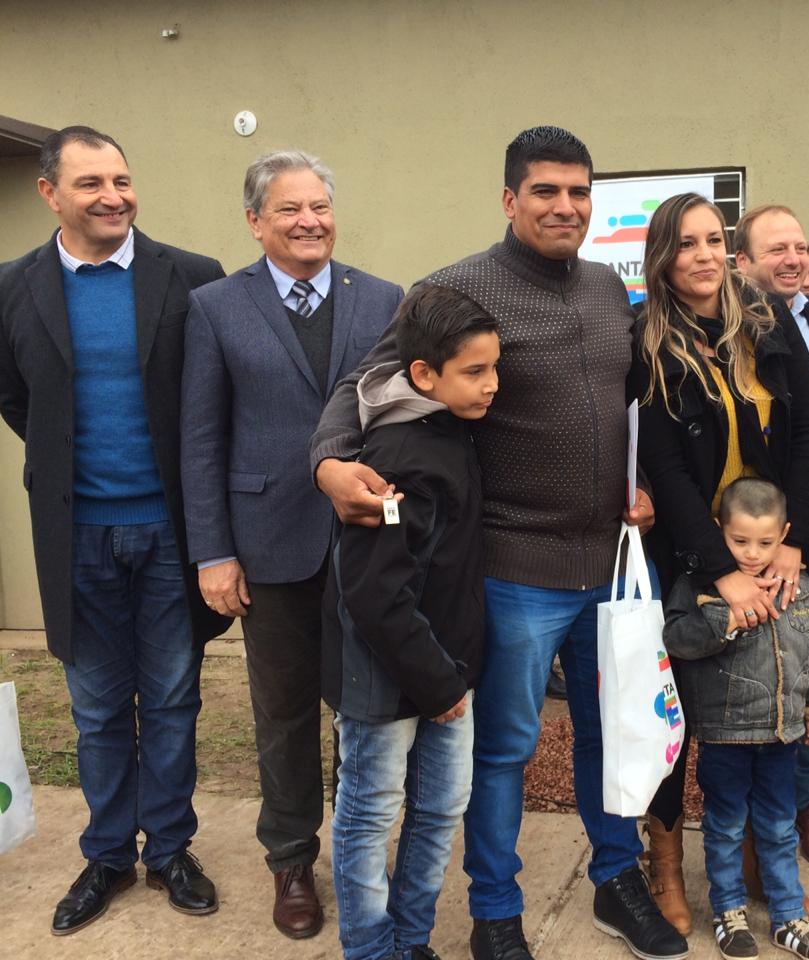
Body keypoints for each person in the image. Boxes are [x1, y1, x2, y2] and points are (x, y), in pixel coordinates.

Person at [310, 125, 683, 960]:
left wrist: (646, 485)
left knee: (614, 732)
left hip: (610, 567)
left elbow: (628, 404)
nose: (565, 206)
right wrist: (329, 465)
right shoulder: (455, 289)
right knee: (505, 750)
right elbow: (362, 383)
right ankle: (495, 910)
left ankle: (616, 877)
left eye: (579, 192)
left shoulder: (606, 288)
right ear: (510, 199)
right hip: (517, 569)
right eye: (546, 191)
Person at [0, 126, 229, 935]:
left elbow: (212, 398)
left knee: (170, 698)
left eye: (122, 180)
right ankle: (106, 855)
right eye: (91, 183)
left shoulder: (193, 278)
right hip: (77, 538)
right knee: (96, 707)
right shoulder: (11, 288)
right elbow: (17, 398)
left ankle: (168, 848)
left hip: (171, 533)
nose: (113, 197)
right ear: (50, 193)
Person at [180, 150, 402, 938]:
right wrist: (213, 553)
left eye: (320, 207)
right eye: (289, 209)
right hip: (268, 545)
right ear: (255, 221)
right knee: (283, 713)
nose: (310, 221)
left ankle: (359, 849)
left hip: (366, 542)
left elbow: (403, 419)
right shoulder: (215, 307)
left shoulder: (383, 299)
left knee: (367, 709)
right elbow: (200, 439)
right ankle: (291, 860)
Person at [635, 193, 809, 933]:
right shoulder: (650, 340)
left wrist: (794, 541)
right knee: (678, 718)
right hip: (693, 557)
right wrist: (722, 572)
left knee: (767, 695)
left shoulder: (766, 319)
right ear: (663, 256)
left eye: (714, 240)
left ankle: (758, 858)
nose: (704, 255)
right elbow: (666, 470)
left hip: (773, 548)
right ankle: (664, 861)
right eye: (687, 243)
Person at [323, 284, 496, 960]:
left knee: (442, 807)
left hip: (447, 669)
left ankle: (410, 940)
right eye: (475, 371)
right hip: (388, 678)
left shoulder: (454, 429)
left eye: (494, 367)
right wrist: (439, 684)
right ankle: (371, 949)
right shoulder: (396, 456)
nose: (492, 384)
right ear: (423, 374)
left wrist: (452, 676)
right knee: (370, 813)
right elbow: (375, 591)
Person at [663, 478, 809, 960]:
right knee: (725, 825)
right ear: (719, 530)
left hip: (781, 734)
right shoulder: (699, 587)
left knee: (779, 826)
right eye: (739, 541)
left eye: (765, 542)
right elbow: (675, 639)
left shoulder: (801, 588)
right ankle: (729, 911)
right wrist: (724, 621)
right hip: (725, 736)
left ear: (784, 534)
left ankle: (787, 916)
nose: (752, 554)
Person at [732, 205, 809, 872]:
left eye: (800, 247)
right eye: (777, 249)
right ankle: (749, 819)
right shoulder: (724, 328)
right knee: (749, 677)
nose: (794, 259)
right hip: (744, 537)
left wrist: (808, 535)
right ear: (742, 262)